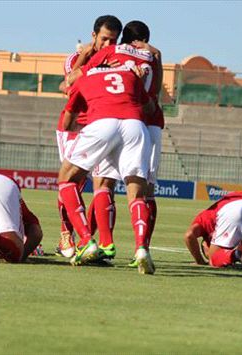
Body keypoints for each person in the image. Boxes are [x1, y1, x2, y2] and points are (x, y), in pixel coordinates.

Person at [67, 20, 164, 264]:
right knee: (142, 193)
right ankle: (142, 249)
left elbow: (71, 80)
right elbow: (155, 94)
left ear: (123, 40)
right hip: (146, 124)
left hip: (114, 117)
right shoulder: (153, 56)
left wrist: (88, 57)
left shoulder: (113, 54)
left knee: (103, 183)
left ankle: (104, 243)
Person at [58, 62, 156, 274]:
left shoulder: (84, 78)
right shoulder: (129, 76)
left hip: (102, 123)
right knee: (136, 195)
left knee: (66, 178)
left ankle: (86, 241)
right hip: (135, 126)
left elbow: (67, 121)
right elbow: (150, 109)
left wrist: (80, 130)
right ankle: (141, 249)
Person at [55, 15, 123, 259]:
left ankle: (96, 243)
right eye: (104, 39)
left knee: (105, 186)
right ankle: (67, 235)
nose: (108, 45)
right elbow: (69, 86)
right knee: (72, 183)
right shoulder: (75, 58)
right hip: (76, 127)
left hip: (104, 126)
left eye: (113, 40)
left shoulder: (118, 58)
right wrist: (86, 58)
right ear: (94, 36)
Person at [184, 192, 242, 267]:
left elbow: (189, 235)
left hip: (234, 211)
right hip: (237, 207)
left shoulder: (204, 219)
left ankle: (237, 254)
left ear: (205, 244)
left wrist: (200, 261)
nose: (207, 253)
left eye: (206, 252)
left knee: (213, 259)